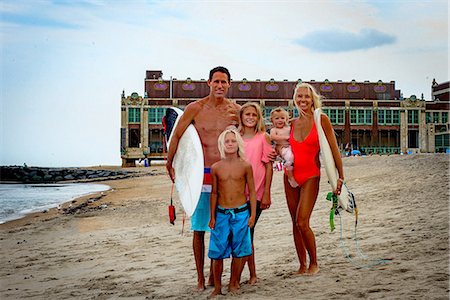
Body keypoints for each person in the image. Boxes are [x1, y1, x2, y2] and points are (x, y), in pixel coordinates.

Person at [166, 66, 240, 290]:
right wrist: (170, 164)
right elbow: (177, 135)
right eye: (215, 81)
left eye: (223, 82)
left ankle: (212, 276)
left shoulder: (235, 110)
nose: (219, 86)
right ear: (208, 83)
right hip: (200, 176)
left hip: (226, 176)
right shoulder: (194, 108)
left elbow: (252, 134)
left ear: (229, 84)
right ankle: (200, 278)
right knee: (199, 229)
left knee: (219, 229)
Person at [284, 82, 344, 275]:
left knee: (302, 221)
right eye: (299, 96)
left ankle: (314, 262)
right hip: (291, 178)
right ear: (295, 99)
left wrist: (340, 177)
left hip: (311, 175)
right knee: (294, 222)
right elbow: (280, 147)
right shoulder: (291, 124)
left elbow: (334, 149)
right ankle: (302, 265)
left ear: (313, 99)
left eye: (306, 96)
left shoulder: (321, 120)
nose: (303, 100)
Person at [208, 129, 257, 298]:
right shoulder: (216, 167)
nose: (230, 144)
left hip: (241, 213)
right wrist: (212, 216)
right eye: (226, 141)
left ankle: (234, 282)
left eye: (233, 141)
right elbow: (214, 193)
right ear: (221, 144)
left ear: (238, 144)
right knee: (217, 251)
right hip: (221, 214)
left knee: (240, 250)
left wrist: (252, 215)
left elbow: (251, 191)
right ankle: (217, 287)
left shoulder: (245, 165)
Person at [237, 102, 273, 284]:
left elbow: (268, 165)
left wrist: (267, 192)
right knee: (246, 234)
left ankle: (241, 276)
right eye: (247, 114)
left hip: (256, 194)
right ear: (241, 117)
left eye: (254, 115)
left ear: (258, 118)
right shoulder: (236, 137)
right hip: (237, 194)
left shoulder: (263, 137)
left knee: (247, 232)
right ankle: (252, 275)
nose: (250, 117)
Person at [269, 107, 297, 187]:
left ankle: (291, 170)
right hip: (283, 148)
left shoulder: (288, 128)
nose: (280, 120)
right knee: (290, 158)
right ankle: (290, 176)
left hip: (291, 146)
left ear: (287, 119)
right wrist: (286, 138)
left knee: (295, 157)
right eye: (277, 118)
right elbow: (273, 137)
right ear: (272, 120)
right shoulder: (274, 130)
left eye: (282, 118)